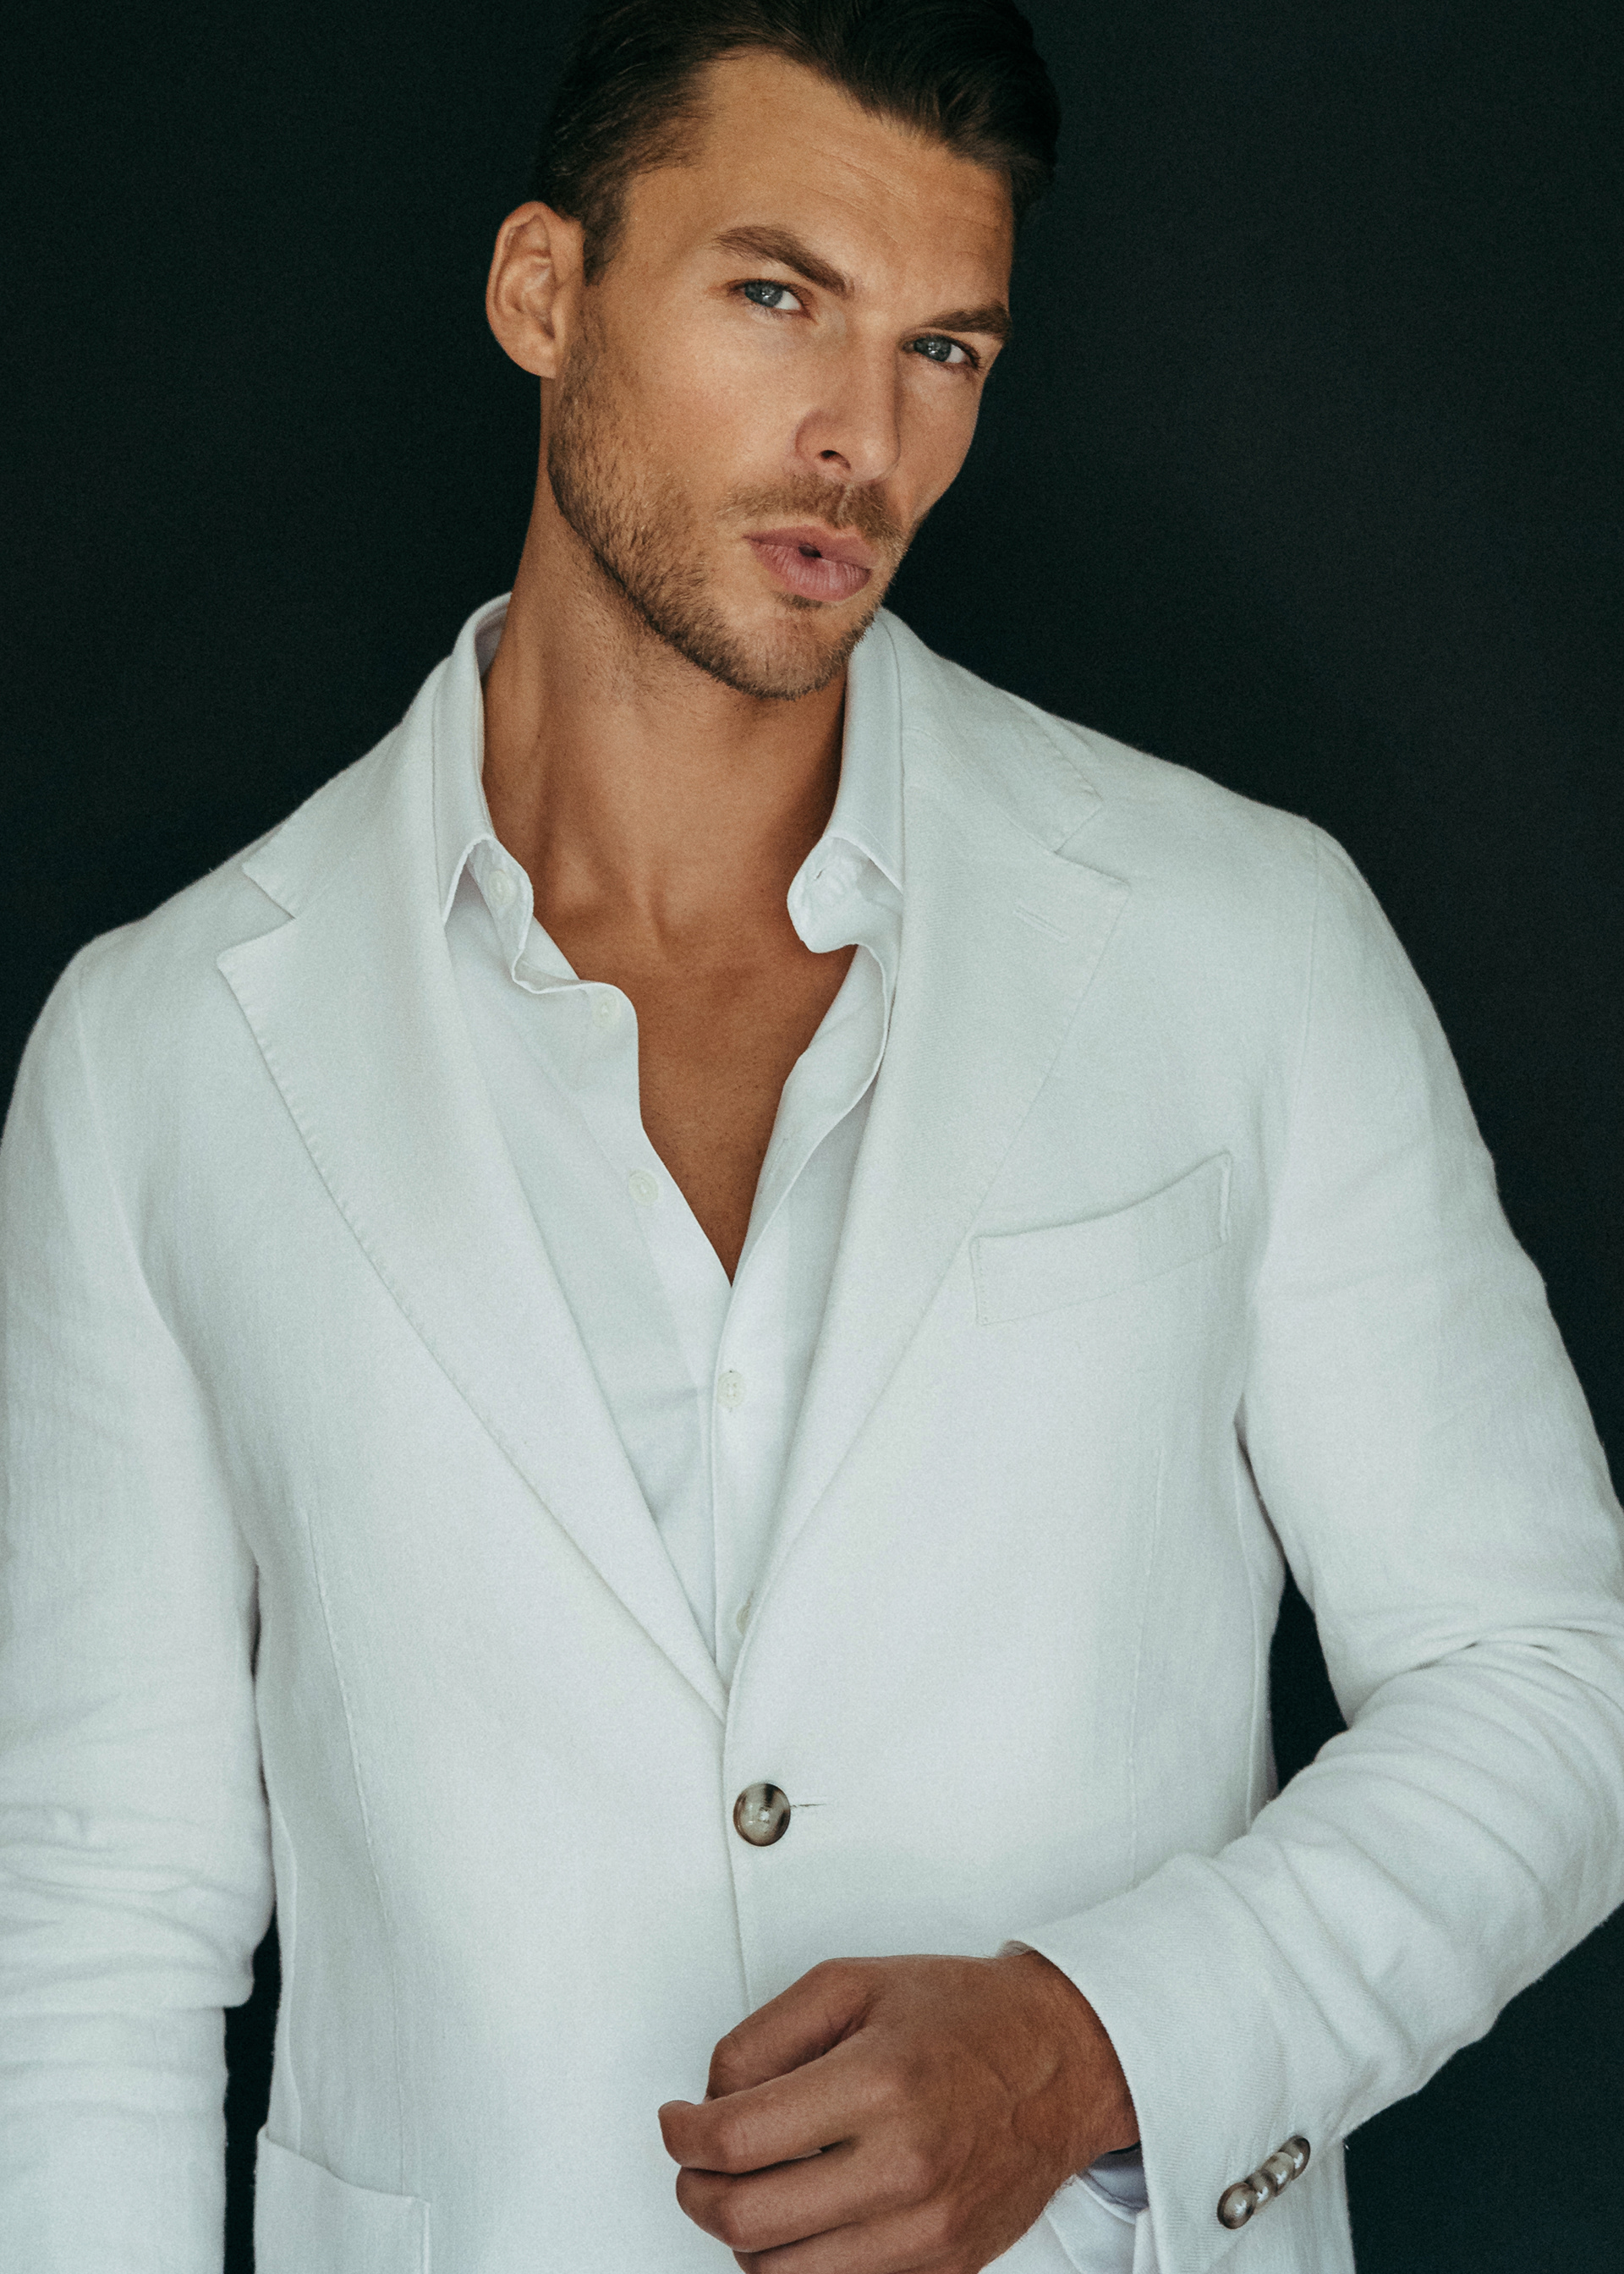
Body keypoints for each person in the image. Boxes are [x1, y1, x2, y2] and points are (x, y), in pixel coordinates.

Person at [2, 3, 1621, 2269]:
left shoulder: (1241, 937)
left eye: (945, 348)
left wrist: (1092, 2049)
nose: (864, 438)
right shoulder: (159, 1055)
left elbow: (1554, 1683)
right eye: (778, 296)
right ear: (544, 289)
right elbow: (89, 1922)